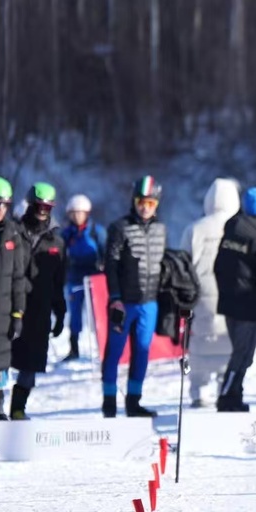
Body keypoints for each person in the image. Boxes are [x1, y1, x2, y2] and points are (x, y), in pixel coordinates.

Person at [103, 176, 168, 418]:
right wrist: (115, 297)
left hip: (149, 302)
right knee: (114, 353)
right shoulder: (119, 227)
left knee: (142, 351)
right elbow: (111, 264)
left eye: (150, 203)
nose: (144, 207)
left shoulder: (162, 229)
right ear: (134, 201)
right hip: (124, 303)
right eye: (141, 202)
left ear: (157, 205)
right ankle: (109, 405)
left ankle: (134, 402)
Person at [215, 188, 256, 412]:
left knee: (240, 353)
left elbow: (218, 266)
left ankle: (234, 395)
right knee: (242, 355)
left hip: (229, 301)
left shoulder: (232, 229)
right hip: (248, 305)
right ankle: (226, 397)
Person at [180, 178, 240, 407]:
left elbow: (185, 265)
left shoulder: (195, 229)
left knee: (199, 343)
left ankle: (198, 390)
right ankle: (225, 385)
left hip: (201, 298)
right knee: (228, 344)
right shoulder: (239, 226)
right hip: (230, 297)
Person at [9, 184, 66, 419]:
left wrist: (60, 312)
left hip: (39, 310)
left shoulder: (56, 242)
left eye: (48, 207)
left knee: (30, 363)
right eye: (39, 206)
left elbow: (58, 281)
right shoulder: (12, 232)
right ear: (30, 204)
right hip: (10, 305)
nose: (43, 211)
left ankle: (17, 409)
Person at [0, 177, 27, 430]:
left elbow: (19, 277)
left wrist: (17, 313)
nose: (0, 210)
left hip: (2, 311)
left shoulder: (13, 234)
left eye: (5, 205)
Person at [59, 194, 107, 361]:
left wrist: (103, 268)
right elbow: (60, 254)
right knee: (75, 315)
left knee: (99, 314)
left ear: (87, 213)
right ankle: (74, 348)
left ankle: (103, 346)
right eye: (73, 213)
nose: (77, 216)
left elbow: (106, 252)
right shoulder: (67, 234)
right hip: (75, 279)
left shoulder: (96, 231)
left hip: (95, 279)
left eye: (81, 213)